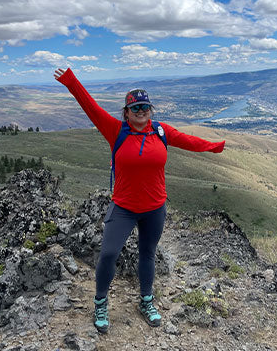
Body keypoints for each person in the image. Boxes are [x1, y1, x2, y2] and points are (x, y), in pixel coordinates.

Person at [54, 67, 225, 334]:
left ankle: (146, 301)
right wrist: (71, 81)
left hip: (155, 208)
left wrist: (214, 146)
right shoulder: (115, 130)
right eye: (136, 108)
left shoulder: (161, 132)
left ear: (151, 109)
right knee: (109, 254)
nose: (141, 111)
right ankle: (100, 302)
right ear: (126, 112)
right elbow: (90, 107)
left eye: (146, 107)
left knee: (148, 254)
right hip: (123, 207)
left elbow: (188, 141)